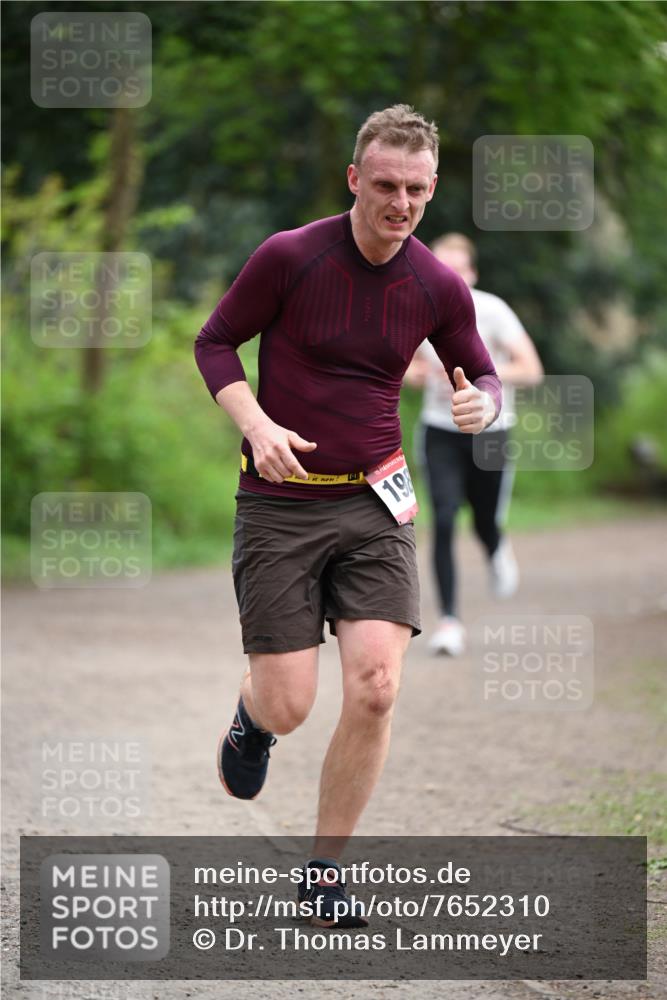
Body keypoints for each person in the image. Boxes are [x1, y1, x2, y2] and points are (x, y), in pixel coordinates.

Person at [194, 106, 502, 925]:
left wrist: (483, 404)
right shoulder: (291, 256)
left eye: (415, 190)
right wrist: (255, 425)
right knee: (291, 702)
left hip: (376, 502)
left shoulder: (436, 283)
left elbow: (479, 368)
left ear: (431, 191)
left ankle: (324, 873)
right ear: (354, 179)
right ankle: (253, 721)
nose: (397, 203)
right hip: (281, 505)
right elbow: (215, 343)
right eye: (384, 185)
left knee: (374, 687)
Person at [404, 233, 543, 656]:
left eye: (458, 269)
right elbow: (406, 366)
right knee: (443, 518)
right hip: (439, 430)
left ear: (472, 273)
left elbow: (531, 369)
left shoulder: (493, 309)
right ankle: (449, 621)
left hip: (491, 431)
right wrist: (421, 375)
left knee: (484, 519)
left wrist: (483, 375)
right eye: (441, 268)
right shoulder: (417, 309)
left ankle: (495, 545)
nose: (450, 277)